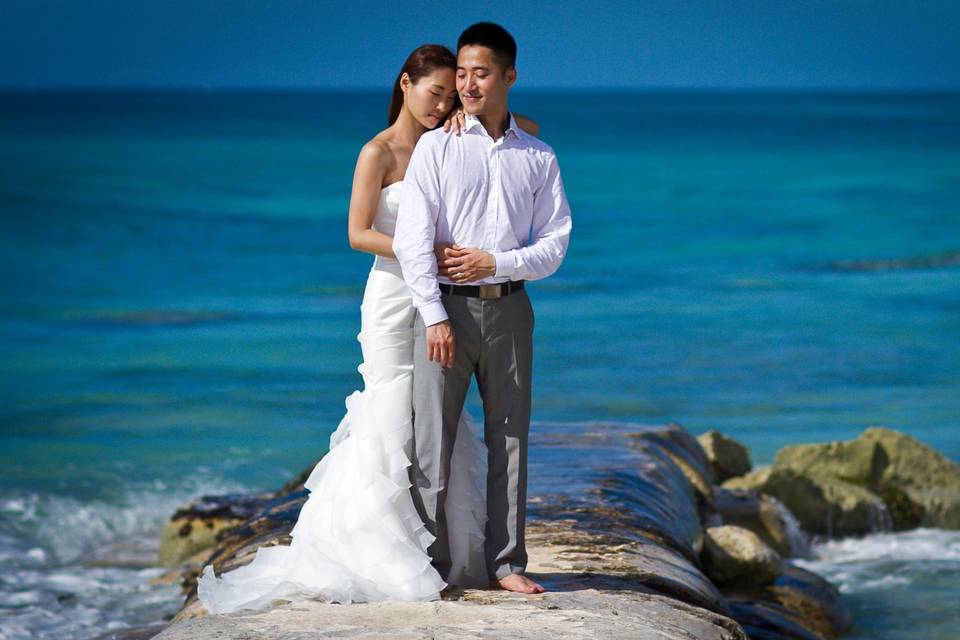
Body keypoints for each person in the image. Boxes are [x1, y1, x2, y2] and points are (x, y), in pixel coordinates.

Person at [196, 44, 540, 614]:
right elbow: (357, 233)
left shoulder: (449, 139)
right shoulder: (377, 152)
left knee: (437, 422)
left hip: (445, 298)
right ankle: (380, 552)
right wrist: (422, 251)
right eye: (435, 94)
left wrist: (474, 113)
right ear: (404, 84)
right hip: (392, 294)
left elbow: (526, 126)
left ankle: (443, 551)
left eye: (450, 97)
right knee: (390, 410)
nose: (441, 107)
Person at [393, 23, 572, 596]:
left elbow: (555, 245)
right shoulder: (436, 147)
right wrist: (434, 315)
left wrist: (495, 262)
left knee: (510, 436)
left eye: (481, 73)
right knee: (430, 443)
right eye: (462, 73)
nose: (468, 84)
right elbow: (413, 241)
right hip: (445, 311)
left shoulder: (539, 157)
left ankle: (507, 564)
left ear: (509, 77)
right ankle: (430, 566)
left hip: (512, 310)